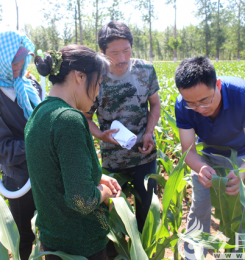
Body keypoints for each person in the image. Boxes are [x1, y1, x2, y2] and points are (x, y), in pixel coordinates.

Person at [25, 45, 122, 260]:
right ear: (79, 76)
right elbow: (82, 200)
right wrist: (105, 192)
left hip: (53, 241)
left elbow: (55, 172)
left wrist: (98, 177)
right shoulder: (69, 119)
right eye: (97, 84)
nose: (97, 93)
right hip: (81, 244)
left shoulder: (39, 113)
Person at [174, 57, 245, 259]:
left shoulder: (244, 96)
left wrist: (242, 173)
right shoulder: (183, 105)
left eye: (205, 100)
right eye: (192, 104)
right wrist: (201, 169)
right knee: (200, 206)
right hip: (207, 156)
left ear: (218, 85)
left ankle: (242, 254)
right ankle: (193, 254)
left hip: (244, 155)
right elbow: (188, 151)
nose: (200, 108)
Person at [84, 21, 161, 233]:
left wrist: (148, 132)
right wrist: (101, 135)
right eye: (115, 53)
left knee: (147, 214)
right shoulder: (95, 78)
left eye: (126, 50)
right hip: (113, 161)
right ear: (102, 51)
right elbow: (86, 117)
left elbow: (155, 105)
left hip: (145, 156)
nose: (122, 59)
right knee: (114, 218)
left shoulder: (145, 70)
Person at [0, 27, 42, 260]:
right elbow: (2, 150)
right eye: (13, 61)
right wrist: (38, 143)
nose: (19, 65)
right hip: (20, 178)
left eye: (23, 59)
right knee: (24, 237)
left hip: (44, 169)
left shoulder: (27, 82)